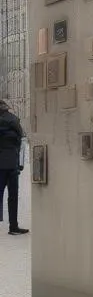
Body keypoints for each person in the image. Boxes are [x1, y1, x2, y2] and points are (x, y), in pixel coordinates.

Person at [0, 100, 27, 234]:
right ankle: (13, 226)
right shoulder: (14, 120)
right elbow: (20, 139)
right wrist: (19, 164)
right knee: (13, 196)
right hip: (11, 163)